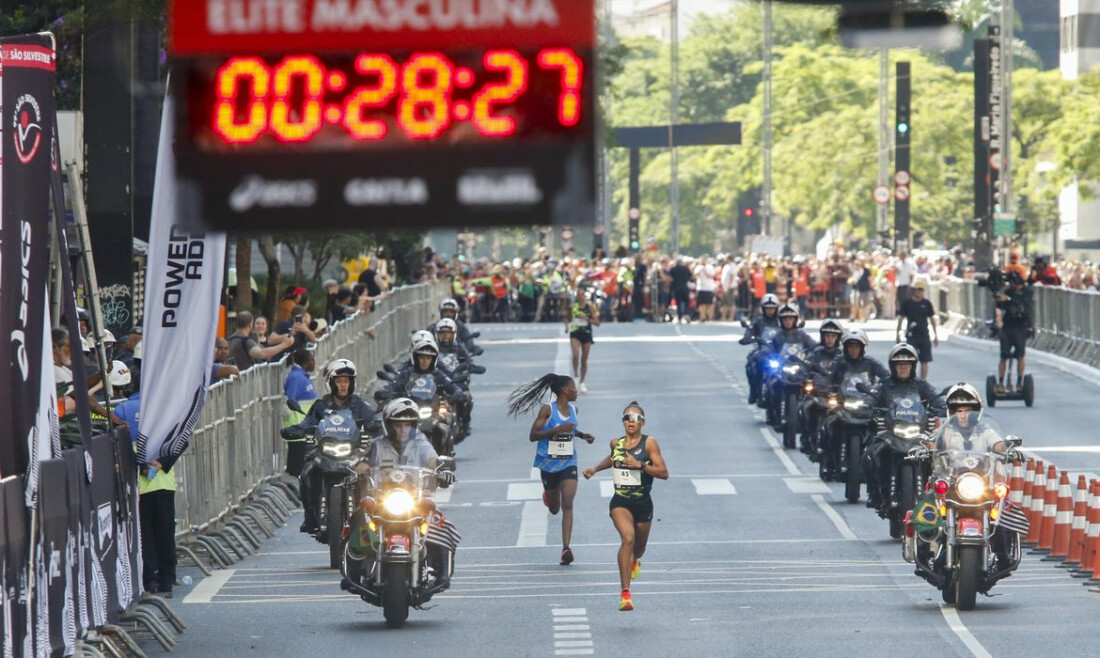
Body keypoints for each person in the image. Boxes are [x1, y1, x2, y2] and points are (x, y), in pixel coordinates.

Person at [583, 402, 668, 612]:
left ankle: (635, 561)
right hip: (620, 502)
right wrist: (594, 469)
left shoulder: (649, 444)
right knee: (627, 539)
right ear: (622, 421)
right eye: (627, 417)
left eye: (636, 417)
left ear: (643, 422)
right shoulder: (616, 443)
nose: (631, 420)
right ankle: (625, 593)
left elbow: (664, 473)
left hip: (643, 504)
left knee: (638, 550)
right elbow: (612, 459)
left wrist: (641, 466)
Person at [507, 374, 596, 566]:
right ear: (564, 390)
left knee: (568, 504)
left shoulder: (574, 409)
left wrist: (582, 435)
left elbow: (570, 430)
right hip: (548, 465)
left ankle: (566, 548)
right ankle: (549, 495)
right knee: (555, 509)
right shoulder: (547, 410)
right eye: (573, 388)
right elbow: (533, 435)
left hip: (568, 462)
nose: (576, 391)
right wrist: (555, 430)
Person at [281, 358, 377, 532]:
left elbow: (374, 419)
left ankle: (369, 515)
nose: (343, 385)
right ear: (331, 383)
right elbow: (307, 422)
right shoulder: (321, 405)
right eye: (339, 381)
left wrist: (376, 424)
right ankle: (309, 516)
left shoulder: (359, 404)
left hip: (352, 453)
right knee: (306, 473)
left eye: (346, 381)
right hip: (324, 452)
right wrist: (296, 430)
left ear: (352, 383)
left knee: (369, 474)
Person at [111, 389, 178, 598]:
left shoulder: (121, 409)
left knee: (145, 534)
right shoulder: (166, 409)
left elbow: (115, 441)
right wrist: (162, 463)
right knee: (166, 533)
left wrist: (140, 464)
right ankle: (168, 578)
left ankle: (150, 579)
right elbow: (180, 441)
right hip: (163, 482)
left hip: (138, 484)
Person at [862, 343, 942, 508]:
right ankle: (874, 494)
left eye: (907, 364)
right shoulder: (884, 385)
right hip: (890, 435)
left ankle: (935, 495)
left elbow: (936, 399)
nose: (903, 367)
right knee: (867, 457)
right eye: (899, 364)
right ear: (893, 366)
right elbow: (871, 399)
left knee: (939, 458)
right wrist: (868, 405)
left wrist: (942, 406)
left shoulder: (921, 385)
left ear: (913, 366)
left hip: (917, 435)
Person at [932, 384, 1004, 454]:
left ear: (976, 412)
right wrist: (928, 445)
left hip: (982, 466)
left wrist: (1005, 447)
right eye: (959, 411)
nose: (963, 416)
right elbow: (934, 445)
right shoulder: (946, 432)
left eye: (967, 411)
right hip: (950, 466)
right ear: (952, 413)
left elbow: (998, 445)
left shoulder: (985, 431)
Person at [994, 271, 1033, 394]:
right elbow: (999, 305)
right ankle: (1000, 383)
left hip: (1020, 327)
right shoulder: (1007, 291)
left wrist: (1009, 299)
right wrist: (999, 298)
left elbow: (1024, 307)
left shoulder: (1026, 292)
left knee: (1020, 356)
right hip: (1007, 326)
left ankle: (1020, 383)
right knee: (1003, 356)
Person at [739, 293, 781, 404]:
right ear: (763, 309)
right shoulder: (758, 321)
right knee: (751, 364)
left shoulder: (783, 321)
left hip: (780, 351)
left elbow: (793, 333)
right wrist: (747, 338)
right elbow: (750, 331)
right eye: (767, 308)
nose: (770, 311)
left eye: (772, 308)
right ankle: (754, 390)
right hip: (763, 351)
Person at [282, 349, 318, 477]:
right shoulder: (296, 378)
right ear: (305, 363)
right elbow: (289, 400)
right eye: (311, 360)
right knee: (297, 464)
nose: (314, 363)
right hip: (298, 428)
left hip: (305, 428)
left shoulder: (302, 376)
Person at [896, 279, 939, 380]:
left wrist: (935, 335)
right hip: (912, 336)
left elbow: (932, 319)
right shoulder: (907, 303)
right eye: (917, 290)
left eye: (921, 290)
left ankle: (923, 381)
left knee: (924, 361)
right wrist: (898, 334)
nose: (919, 292)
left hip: (924, 335)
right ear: (914, 290)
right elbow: (901, 318)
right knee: (911, 360)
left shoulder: (927, 303)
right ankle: (912, 379)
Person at [227, 311, 295, 371]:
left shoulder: (229, 339)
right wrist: (285, 344)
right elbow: (262, 353)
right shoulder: (246, 341)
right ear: (250, 324)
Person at [566, 287, 601, 393]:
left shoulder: (590, 308)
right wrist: (567, 325)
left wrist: (587, 319)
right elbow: (567, 317)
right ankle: (576, 376)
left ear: (585, 296)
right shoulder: (573, 307)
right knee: (575, 355)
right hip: (575, 333)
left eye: (582, 295)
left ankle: (582, 382)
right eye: (578, 295)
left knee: (584, 360)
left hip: (586, 334)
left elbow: (597, 323)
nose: (580, 297)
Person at [667, 257, 693, 323]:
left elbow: (670, 278)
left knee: (678, 303)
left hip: (676, 288)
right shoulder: (686, 269)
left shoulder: (673, 269)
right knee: (686, 302)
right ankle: (686, 314)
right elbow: (691, 276)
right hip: (684, 287)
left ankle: (680, 316)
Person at [694, 256, 717, 323]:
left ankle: (710, 317)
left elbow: (711, 276)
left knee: (709, 304)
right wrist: (699, 271)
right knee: (701, 304)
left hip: (709, 288)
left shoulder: (710, 267)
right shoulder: (698, 267)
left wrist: (704, 270)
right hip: (700, 288)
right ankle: (702, 317)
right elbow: (694, 275)